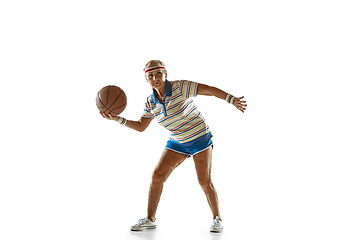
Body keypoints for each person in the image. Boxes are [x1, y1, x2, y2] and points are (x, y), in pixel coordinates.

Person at [100, 60, 247, 233]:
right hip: (177, 141)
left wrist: (232, 100)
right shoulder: (150, 102)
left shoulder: (180, 87)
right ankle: (150, 219)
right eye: (150, 76)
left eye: (158, 74)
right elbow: (141, 126)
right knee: (157, 176)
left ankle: (217, 219)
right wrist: (116, 119)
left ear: (165, 74)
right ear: (146, 79)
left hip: (199, 137)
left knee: (204, 180)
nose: (155, 78)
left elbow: (210, 90)